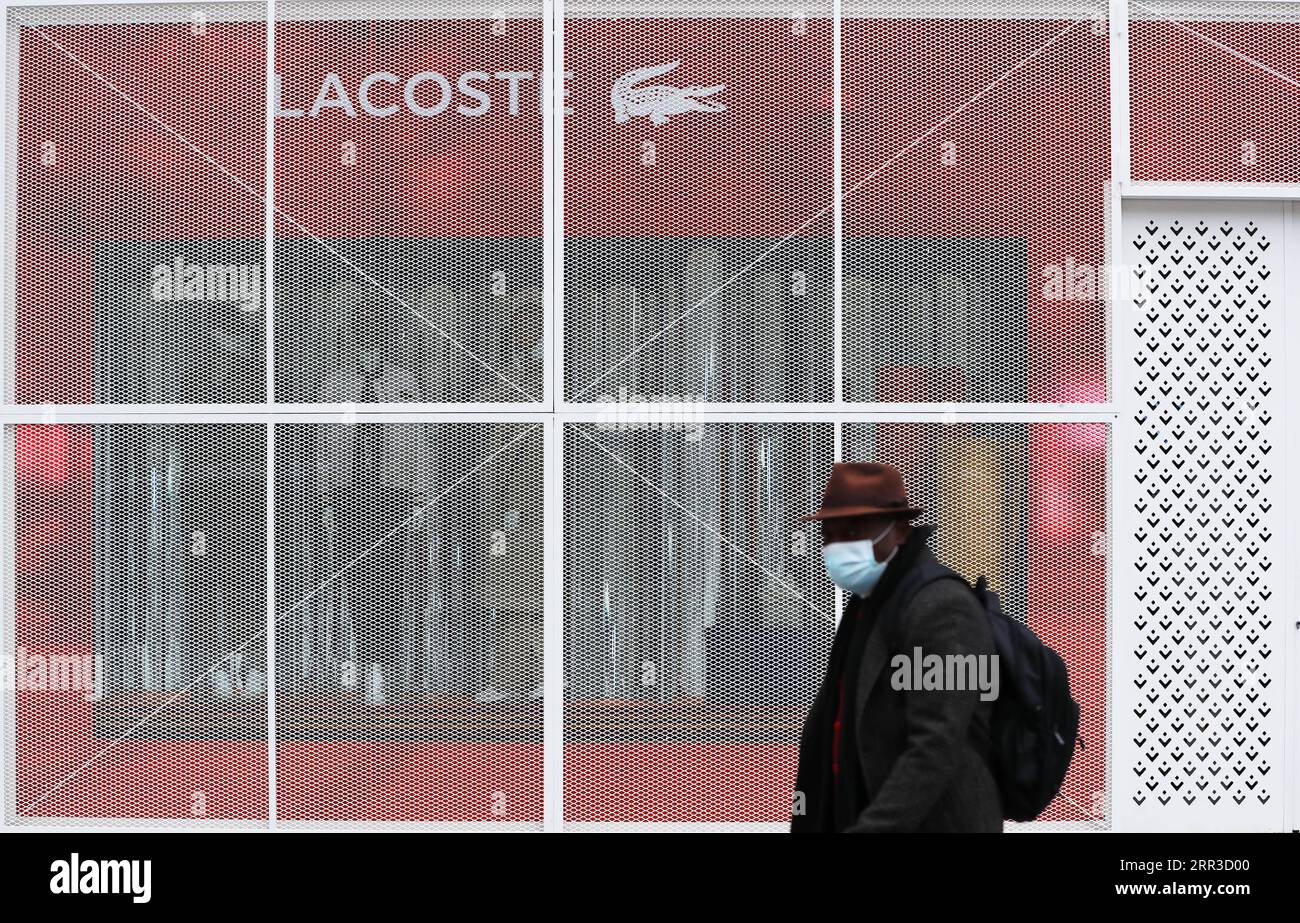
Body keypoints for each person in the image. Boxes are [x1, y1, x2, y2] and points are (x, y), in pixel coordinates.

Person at [790, 462, 1001, 832]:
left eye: (856, 530)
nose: (840, 545)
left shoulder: (942, 608)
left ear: (900, 530)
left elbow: (935, 746)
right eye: (830, 533)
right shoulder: (869, 603)